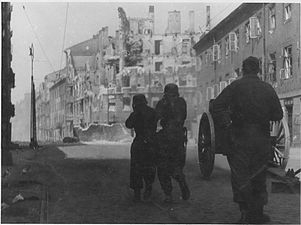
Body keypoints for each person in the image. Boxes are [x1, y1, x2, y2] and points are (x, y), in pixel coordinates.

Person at [211, 56, 283, 224]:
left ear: (243, 70)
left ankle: (244, 214)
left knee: (240, 175)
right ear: (258, 70)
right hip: (261, 139)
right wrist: (263, 115)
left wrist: (227, 121)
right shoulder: (267, 88)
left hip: (239, 138)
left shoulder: (235, 87)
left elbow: (217, 106)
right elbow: (278, 114)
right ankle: (258, 214)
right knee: (259, 175)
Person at [155, 83, 190, 203]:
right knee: (175, 166)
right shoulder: (181, 102)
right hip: (178, 137)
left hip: (168, 138)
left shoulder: (164, 103)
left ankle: (168, 194)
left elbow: (156, 117)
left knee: (163, 167)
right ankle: (181, 182)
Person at [125, 94, 158, 202]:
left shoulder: (135, 113)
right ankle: (148, 188)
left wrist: (135, 112)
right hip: (151, 142)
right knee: (149, 166)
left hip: (139, 143)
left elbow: (128, 124)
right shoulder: (152, 112)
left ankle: (137, 193)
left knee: (136, 168)